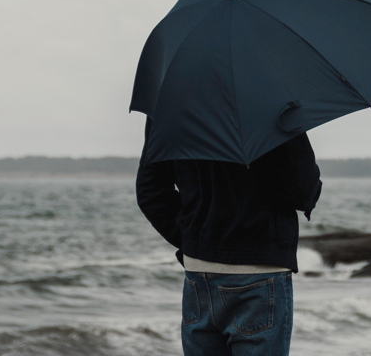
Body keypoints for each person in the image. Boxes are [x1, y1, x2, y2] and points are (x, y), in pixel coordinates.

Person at [136, 117, 322, 355]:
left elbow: (150, 190)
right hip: (259, 271)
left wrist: (195, 242)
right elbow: (304, 192)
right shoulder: (274, 105)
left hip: (199, 272)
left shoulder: (169, 105)